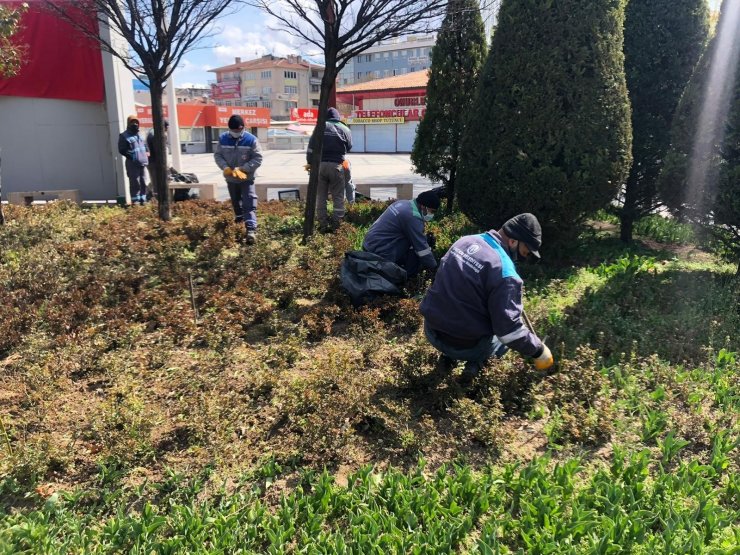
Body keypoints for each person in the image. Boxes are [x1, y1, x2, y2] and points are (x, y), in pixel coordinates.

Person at [420, 213, 555, 386]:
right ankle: (475, 365)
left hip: (432, 330)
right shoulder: (506, 272)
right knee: (505, 335)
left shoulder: (464, 241)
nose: (524, 258)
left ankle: (447, 359)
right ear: (513, 241)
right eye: (524, 252)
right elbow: (510, 332)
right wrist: (538, 350)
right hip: (465, 345)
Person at [362, 190, 440, 278]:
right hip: (379, 251)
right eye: (432, 211)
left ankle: (399, 263)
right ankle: (407, 277)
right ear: (423, 206)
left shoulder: (403, 203)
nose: (432, 215)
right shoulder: (412, 217)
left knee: (415, 239)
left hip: (369, 244)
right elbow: (421, 248)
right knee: (417, 245)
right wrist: (435, 268)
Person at [215, 114, 263, 244]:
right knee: (236, 203)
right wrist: (225, 167)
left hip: (246, 178)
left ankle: (251, 230)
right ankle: (238, 225)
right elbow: (218, 155)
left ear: (243, 128)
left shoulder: (251, 140)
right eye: (233, 130)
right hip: (231, 178)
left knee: (249, 202)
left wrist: (244, 168)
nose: (236, 133)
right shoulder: (223, 139)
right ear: (229, 128)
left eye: (238, 130)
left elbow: (258, 158)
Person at [307, 107, 352, 231]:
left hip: (320, 166)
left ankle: (322, 224)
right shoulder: (345, 129)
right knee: (338, 196)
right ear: (337, 118)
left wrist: (310, 163)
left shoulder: (320, 127)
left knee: (321, 196)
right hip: (337, 165)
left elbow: (311, 147)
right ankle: (337, 224)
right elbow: (349, 147)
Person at [118, 115, 149, 205]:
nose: (135, 124)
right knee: (135, 182)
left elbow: (145, 146)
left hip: (143, 163)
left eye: (136, 122)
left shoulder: (140, 135)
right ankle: (135, 200)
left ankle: (143, 199)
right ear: (128, 123)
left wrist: (147, 152)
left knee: (143, 181)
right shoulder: (124, 136)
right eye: (132, 122)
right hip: (132, 163)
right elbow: (122, 149)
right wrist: (132, 156)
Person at [146, 119, 169, 199]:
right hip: (154, 162)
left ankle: (149, 191)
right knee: (156, 182)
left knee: (154, 180)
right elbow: (159, 151)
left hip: (152, 161)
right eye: (166, 128)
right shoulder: (156, 134)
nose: (167, 130)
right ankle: (156, 199)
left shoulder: (152, 131)